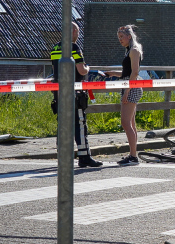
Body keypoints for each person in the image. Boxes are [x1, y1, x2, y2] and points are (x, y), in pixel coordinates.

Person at [50, 21, 103, 168]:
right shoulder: (73, 47)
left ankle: (63, 157)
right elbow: (81, 70)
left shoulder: (55, 47)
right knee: (79, 124)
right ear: (73, 31)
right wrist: (88, 68)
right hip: (75, 92)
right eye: (78, 32)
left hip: (59, 93)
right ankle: (84, 157)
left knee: (62, 124)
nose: (78, 35)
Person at [106, 25, 144, 166]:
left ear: (129, 36)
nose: (120, 40)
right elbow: (126, 73)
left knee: (125, 122)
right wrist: (113, 73)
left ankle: (133, 156)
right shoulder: (130, 50)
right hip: (128, 84)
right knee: (131, 123)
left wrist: (127, 91)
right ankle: (133, 154)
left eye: (122, 37)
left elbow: (134, 73)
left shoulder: (134, 50)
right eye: (118, 37)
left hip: (131, 86)